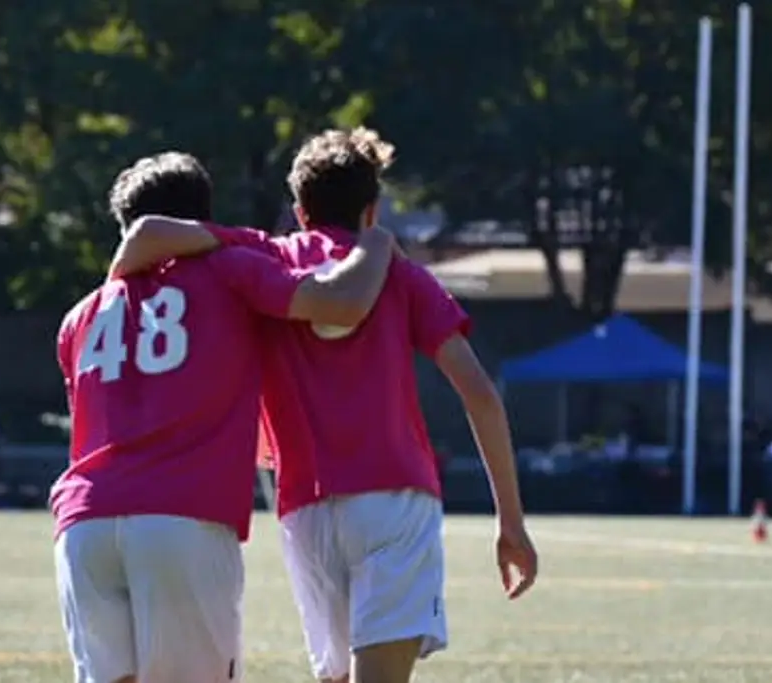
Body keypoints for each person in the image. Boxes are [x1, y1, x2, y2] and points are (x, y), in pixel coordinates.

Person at [109, 128, 537, 683]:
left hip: (306, 505)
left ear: (299, 209)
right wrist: (511, 522)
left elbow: (149, 236)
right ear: (372, 208)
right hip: (395, 498)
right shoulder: (401, 276)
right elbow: (479, 392)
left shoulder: (265, 254)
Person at [54, 151, 397, 683]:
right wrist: (376, 246)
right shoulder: (231, 270)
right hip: (180, 514)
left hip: (83, 522)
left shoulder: (80, 315)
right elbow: (337, 305)